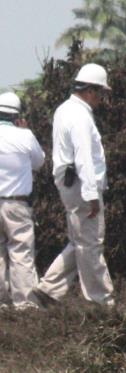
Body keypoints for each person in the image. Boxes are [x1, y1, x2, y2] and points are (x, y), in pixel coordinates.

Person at [36, 63, 115, 306]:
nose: (101, 99)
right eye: (100, 93)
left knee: (79, 240)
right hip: (82, 186)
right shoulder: (80, 116)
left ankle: (49, 288)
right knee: (91, 243)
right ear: (90, 91)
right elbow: (84, 158)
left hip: (70, 185)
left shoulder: (64, 110)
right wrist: (92, 195)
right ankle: (101, 301)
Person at [0, 92, 45, 309]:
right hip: (17, 204)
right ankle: (25, 306)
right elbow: (39, 162)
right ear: (17, 116)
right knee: (21, 254)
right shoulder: (25, 136)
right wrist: (26, 130)